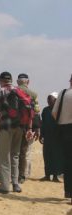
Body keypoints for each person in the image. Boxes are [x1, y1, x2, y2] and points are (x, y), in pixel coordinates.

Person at [0, 72, 33, 194]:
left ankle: (4, 186)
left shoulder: (1, 91)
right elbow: (29, 110)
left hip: (5, 128)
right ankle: (15, 184)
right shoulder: (20, 91)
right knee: (15, 155)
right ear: (11, 80)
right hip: (20, 128)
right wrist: (29, 128)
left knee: (3, 157)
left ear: (1, 80)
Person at [16, 73, 41, 184]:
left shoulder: (12, 91)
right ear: (28, 82)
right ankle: (21, 176)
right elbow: (36, 112)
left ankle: (10, 174)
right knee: (23, 152)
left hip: (12, 126)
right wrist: (36, 128)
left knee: (11, 152)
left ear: (17, 82)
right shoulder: (33, 94)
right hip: (27, 126)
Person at [52, 75, 72, 204]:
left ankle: (68, 191)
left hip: (64, 130)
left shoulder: (63, 93)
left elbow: (54, 113)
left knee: (68, 162)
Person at [39, 92, 63, 182]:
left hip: (57, 138)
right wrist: (41, 135)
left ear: (56, 100)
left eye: (50, 99)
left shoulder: (59, 111)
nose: (48, 101)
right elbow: (43, 124)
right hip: (47, 137)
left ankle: (56, 176)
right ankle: (47, 175)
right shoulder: (45, 110)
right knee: (47, 156)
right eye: (48, 99)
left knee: (56, 156)